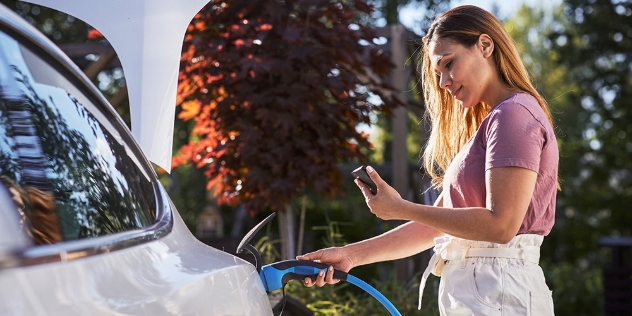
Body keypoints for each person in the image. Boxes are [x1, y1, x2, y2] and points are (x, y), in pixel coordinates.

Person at [297, 5, 558, 315]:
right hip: (486, 292)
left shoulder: (513, 115)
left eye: (449, 64)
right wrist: (351, 256)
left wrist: (400, 208)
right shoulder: (493, 122)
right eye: (438, 73)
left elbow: (501, 226)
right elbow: (432, 226)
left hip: (499, 292)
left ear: (485, 46)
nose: (444, 82)